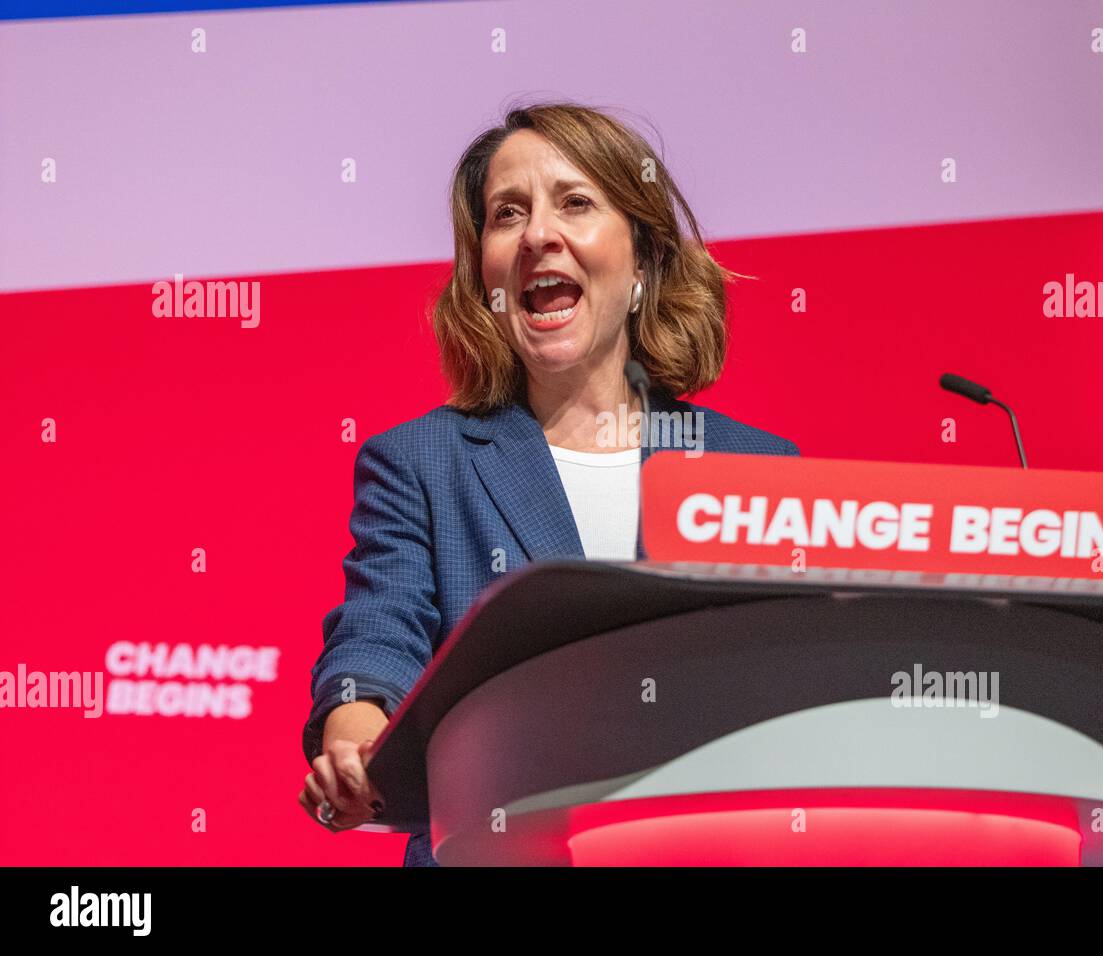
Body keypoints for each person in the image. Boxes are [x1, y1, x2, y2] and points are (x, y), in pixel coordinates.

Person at [298, 102, 799, 866]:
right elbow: (378, 639)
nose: (537, 235)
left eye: (574, 202)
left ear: (642, 258)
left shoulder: (758, 471)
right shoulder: (422, 463)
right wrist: (352, 737)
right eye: (508, 214)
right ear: (485, 276)